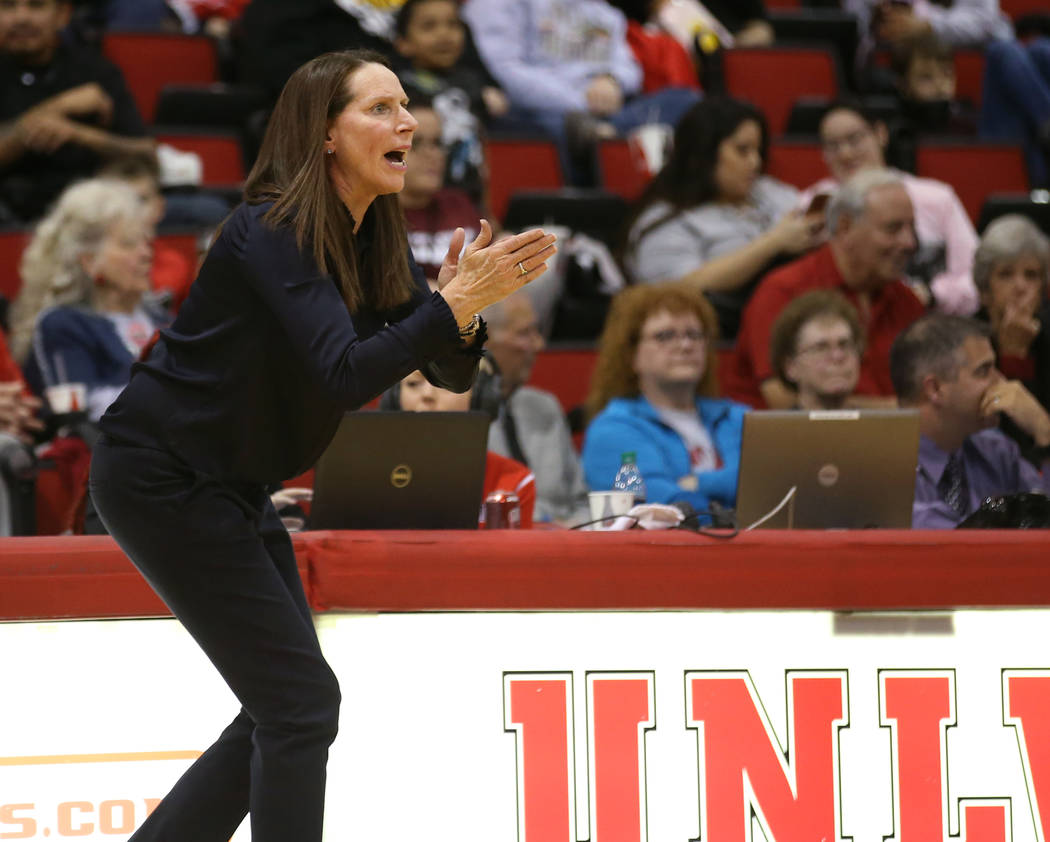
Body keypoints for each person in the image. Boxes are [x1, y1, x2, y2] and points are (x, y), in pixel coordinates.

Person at [86, 49, 556, 842]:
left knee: (286, 709)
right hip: (161, 473)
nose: (406, 122)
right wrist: (449, 307)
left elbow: (444, 368)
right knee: (299, 705)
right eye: (380, 108)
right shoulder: (268, 229)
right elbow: (345, 372)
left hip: (229, 484)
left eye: (405, 107)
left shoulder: (370, 239)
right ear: (325, 135)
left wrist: (466, 306)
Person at [726, 168, 926, 409]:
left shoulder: (905, 301)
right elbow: (786, 401)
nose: (909, 242)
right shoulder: (783, 291)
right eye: (893, 229)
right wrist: (894, 410)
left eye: (911, 228)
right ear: (844, 228)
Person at [624, 97, 821, 339]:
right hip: (717, 339)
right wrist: (773, 243)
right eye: (742, 150)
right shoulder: (663, 221)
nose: (755, 162)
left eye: (758, 151)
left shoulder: (768, 190)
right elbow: (678, 291)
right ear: (704, 152)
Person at [461, 0, 699, 183]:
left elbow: (628, 65)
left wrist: (613, 80)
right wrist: (579, 102)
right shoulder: (496, 4)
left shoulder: (601, 9)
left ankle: (608, 135)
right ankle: (605, 143)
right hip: (542, 111)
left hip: (611, 112)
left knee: (687, 101)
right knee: (549, 125)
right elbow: (505, 69)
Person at [582, 283, 747, 516]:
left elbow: (776, 483)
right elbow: (665, 505)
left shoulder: (739, 418)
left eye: (694, 334)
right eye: (665, 336)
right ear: (631, 354)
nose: (685, 345)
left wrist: (697, 483)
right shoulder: (612, 429)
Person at [799, 101, 979, 314]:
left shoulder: (937, 198)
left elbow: (976, 278)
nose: (845, 154)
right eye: (833, 145)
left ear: (881, 134)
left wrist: (930, 294)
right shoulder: (813, 203)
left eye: (854, 139)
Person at [8, 178, 165, 422]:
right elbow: (83, 410)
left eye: (145, 242)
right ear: (90, 261)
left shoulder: (162, 317)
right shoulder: (62, 324)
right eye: (129, 244)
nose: (146, 253)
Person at [0, 0, 155, 223]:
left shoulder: (96, 70)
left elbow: (147, 155)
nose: (21, 18)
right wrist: (59, 106)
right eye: (8, 6)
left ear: (62, 15)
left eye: (36, 6)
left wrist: (80, 135)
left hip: (88, 208)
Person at [889, 313, 1050, 528]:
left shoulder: (996, 450)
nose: (1001, 381)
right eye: (984, 371)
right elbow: (953, 550)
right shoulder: (883, 469)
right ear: (934, 389)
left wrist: (1045, 431)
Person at [483, 291, 589, 524]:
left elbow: (581, 501)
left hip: (567, 546)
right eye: (524, 333)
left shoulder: (545, 407)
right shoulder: (456, 417)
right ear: (482, 341)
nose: (539, 344)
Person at [387, 362, 537, 528]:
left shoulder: (514, 482)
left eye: (445, 382)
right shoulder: (365, 475)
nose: (427, 394)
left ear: (481, 396)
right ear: (394, 396)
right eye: (413, 383)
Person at [392, 0, 507, 202]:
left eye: (453, 24)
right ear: (403, 43)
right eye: (429, 26)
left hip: (468, 200)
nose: (444, 34)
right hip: (420, 201)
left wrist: (486, 208)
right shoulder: (399, 87)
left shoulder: (472, 83)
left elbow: (480, 148)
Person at [972, 214, 1050, 462]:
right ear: (984, 291)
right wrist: (1013, 357)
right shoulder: (965, 341)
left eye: (1031, 275)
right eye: (1006, 274)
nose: (1020, 286)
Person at [398, 101, 481, 287]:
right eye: (416, 143)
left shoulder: (459, 203)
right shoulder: (373, 214)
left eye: (437, 143)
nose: (433, 154)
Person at [768, 290, 863, 411]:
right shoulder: (773, 430)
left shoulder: (880, 428)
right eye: (821, 348)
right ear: (790, 367)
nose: (837, 356)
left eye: (844, 345)